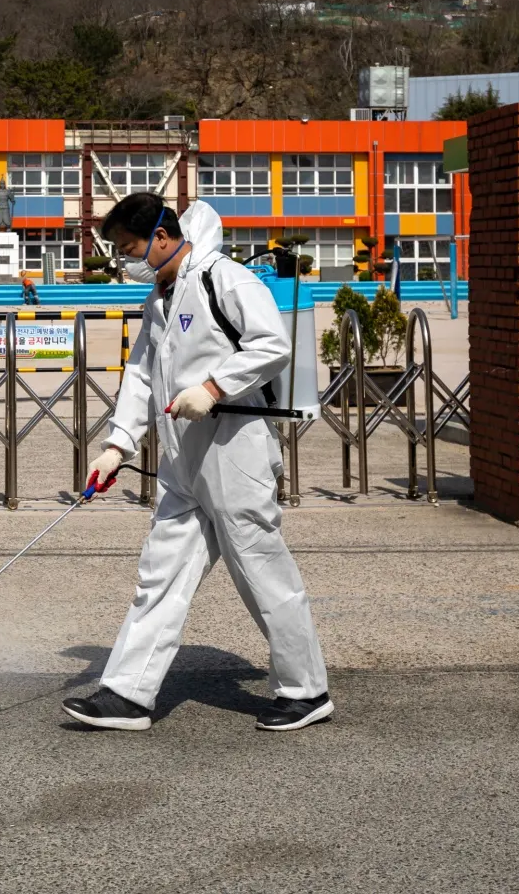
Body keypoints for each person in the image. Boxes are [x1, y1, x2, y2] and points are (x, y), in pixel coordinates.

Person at [62, 193, 331, 732]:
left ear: (162, 236)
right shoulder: (159, 297)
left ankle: (306, 691)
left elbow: (272, 344)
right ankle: (128, 694)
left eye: (131, 247)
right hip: (182, 456)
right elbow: (141, 375)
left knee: (260, 568)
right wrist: (117, 446)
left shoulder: (222, 278)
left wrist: (212, 386)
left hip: (234, 446)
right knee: (158, 574)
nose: (127, 258)